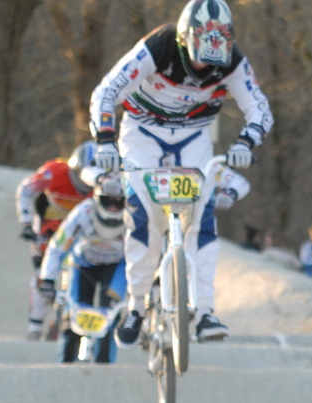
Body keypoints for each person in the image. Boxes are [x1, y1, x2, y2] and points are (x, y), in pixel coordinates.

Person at [89, 0, 274, 348]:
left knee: (202, 221)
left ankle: (205, 311)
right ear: (184, 39)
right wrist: (105, 142)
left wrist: (246, 143)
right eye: (200, 56)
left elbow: (259, 110)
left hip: (193, 137)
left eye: (214, 61)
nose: (204, 67)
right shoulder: (157, 47)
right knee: (142, 219)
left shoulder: (234, 61)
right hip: (142, 133)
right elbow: (106, 93)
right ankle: (137, 306)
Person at [37, 176, 127, 363]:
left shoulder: (133, 215)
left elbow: (147, 249)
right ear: (97, 199)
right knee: (74, 313)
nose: (112, 207)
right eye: (107, 201)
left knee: (109, 313)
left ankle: (105, 367)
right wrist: (48, 278)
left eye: (118, 202)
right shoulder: (84, 212)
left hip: (117, 266)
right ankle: (65, 366)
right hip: (83, 264)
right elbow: (58, 246)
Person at [15, 141, 96, 338]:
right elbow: (26, 190)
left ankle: (67, 316)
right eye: (80, 175)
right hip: (48, 230)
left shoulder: (106, 183)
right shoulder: (53, 172)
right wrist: (26, 222)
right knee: (41, 275)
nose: (85, 184)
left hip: (81, 232)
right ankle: (35, 326)